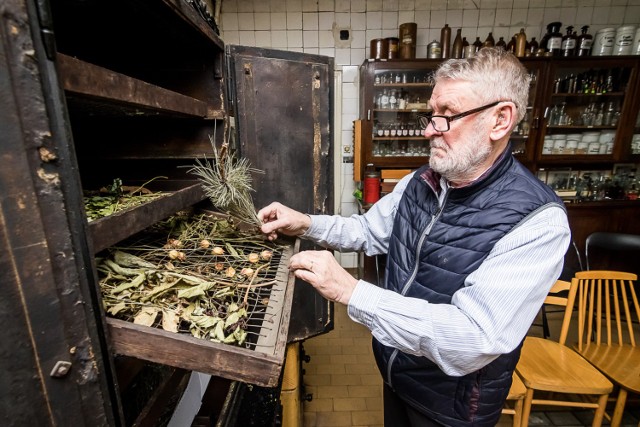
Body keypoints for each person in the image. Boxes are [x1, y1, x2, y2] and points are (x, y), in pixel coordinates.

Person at [258, 48, 571, 427]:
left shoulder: (538, 222)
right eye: (431, 114)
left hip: (452, 408)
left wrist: (352, 291)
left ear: (500, 120)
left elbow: (474, 337)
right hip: (397, 377)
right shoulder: (420, 182)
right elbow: (366, 230)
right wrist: (305, 224)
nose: (428, 129)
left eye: (447, 116)